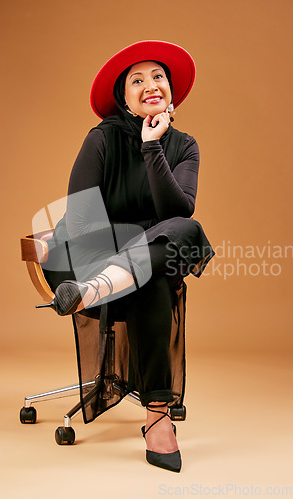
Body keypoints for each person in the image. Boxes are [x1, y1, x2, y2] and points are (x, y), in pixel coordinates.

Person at [38, 40, 215, 472]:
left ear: (171, 92)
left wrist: (152, 145)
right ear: (124, 98)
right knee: (153, 267)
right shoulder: (102, 138)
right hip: (78, 261)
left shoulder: (184, 146)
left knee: (184, 230)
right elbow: (80, 224)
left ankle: (95, 293)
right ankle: (159, 420)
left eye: (158, 77)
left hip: (105, 283)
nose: (150, 85)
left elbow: (179, 212)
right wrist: (142, 244)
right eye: (137, 80)